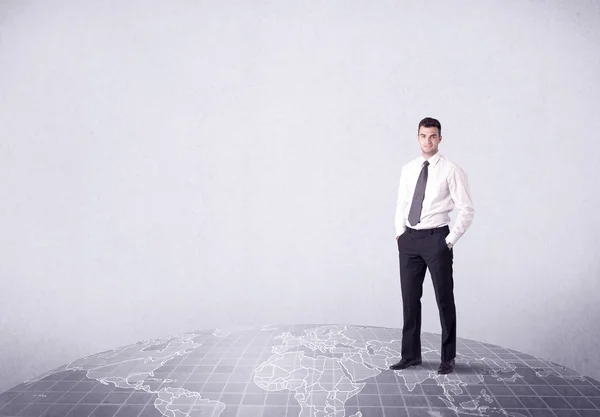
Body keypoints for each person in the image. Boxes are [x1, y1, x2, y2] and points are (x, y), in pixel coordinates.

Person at [389, 117, 474, 375]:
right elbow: (402, 203)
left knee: (444, 300)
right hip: (410, 240)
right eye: (424, 136)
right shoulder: (408, 168)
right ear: (418, 137)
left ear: (440, 138)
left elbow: (467, 209)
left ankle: (447, 358)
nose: (428, 140)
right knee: (410, 300)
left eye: (433, 136)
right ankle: (410, 356)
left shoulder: (451, 170)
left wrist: (448, 241)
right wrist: (400, 234)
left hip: (437, 239)